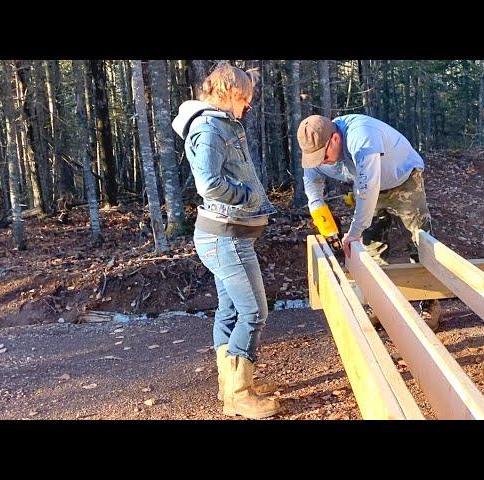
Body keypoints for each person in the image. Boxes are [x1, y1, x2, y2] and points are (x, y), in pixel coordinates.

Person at [172, 62, 279, 419]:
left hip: (227, 236)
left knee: (231, 311)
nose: (247, 106)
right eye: (245, 98)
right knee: (254, 312)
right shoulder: (211, 128)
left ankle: (229, 386)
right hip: (226, 237)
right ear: (228, 92)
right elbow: (207, 183)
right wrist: (246, 195)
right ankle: (239, 394)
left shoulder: (219, 124)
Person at [297, 114, 441, 330]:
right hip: (367, 183)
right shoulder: (315, 151)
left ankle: (430, 302)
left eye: (324, 156)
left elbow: (368, 188)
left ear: (335, 139)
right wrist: (327, 228)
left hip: (403, 178)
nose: (321, 162)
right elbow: (315, 196)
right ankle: (381, 303)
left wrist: (354, 231)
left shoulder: (361, 136)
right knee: (372, 245)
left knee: (420, 240)